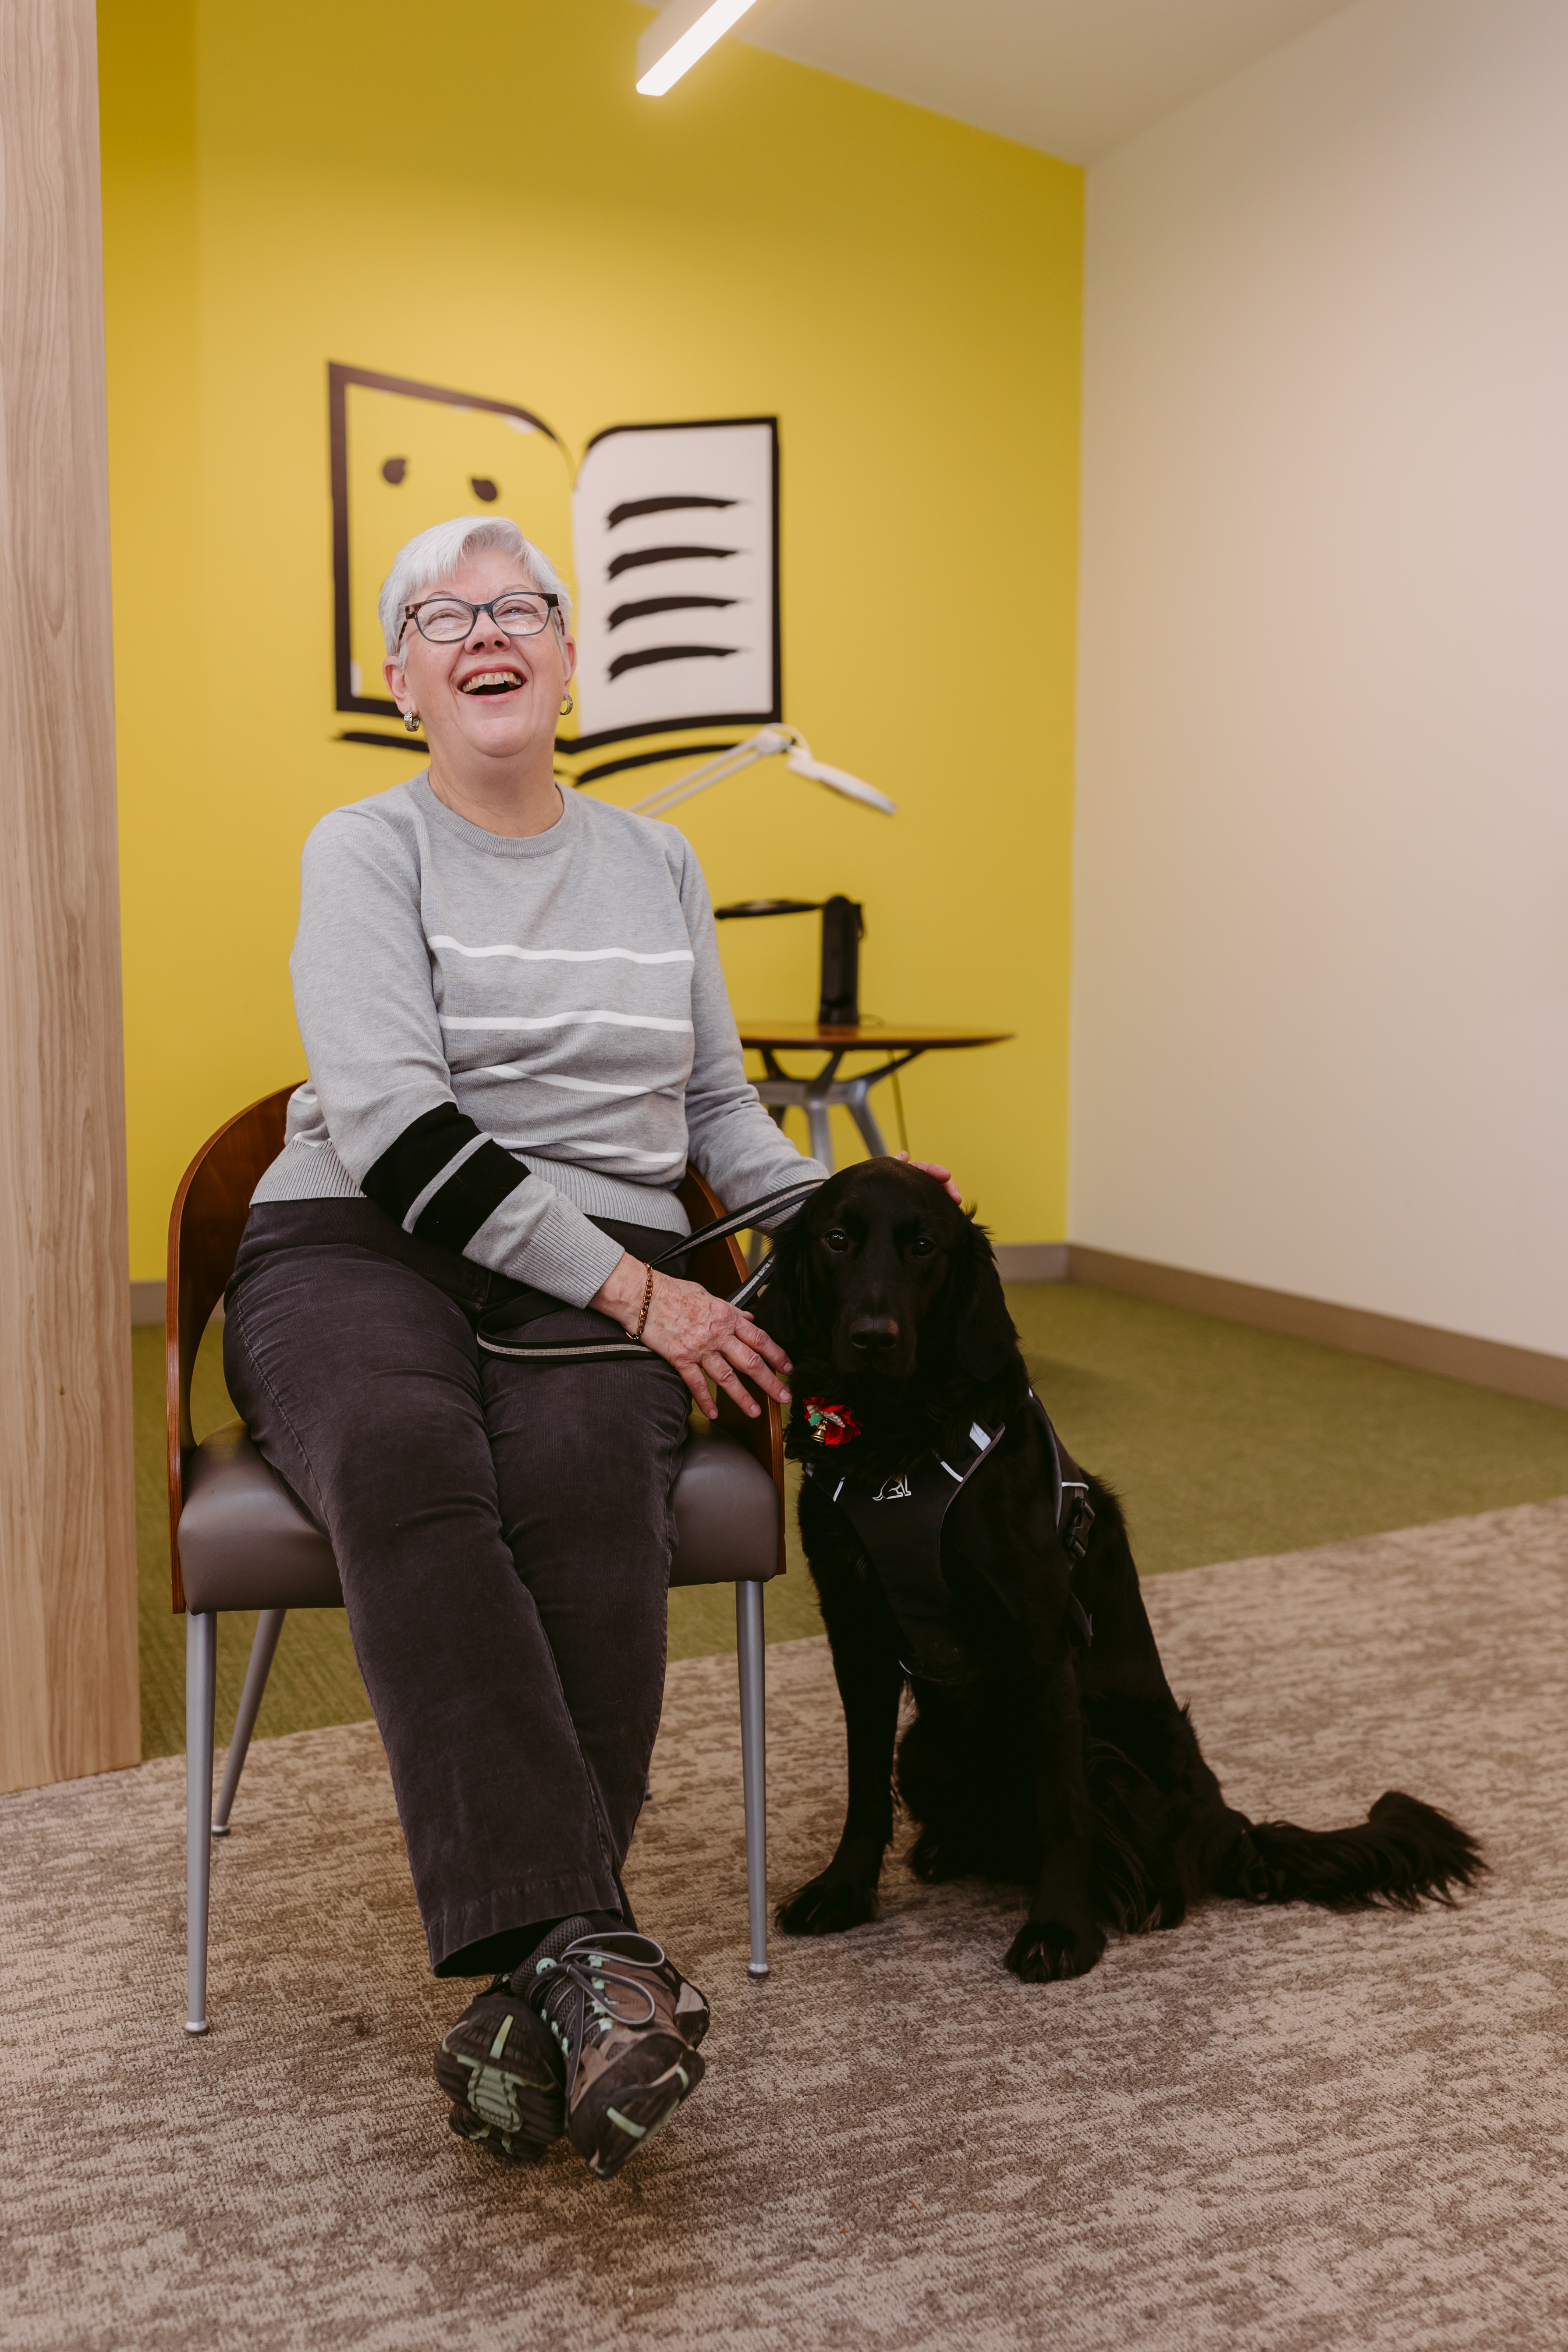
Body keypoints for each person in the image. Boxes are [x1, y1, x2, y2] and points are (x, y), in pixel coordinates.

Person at [225, 514, 954, 2182]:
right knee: (410, 1458)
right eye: (442, 614)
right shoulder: (363, 846)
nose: (486, 633)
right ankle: (592, 1954)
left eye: (520, 610)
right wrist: (639, 1297)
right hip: (360, 1238)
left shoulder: (656, 860)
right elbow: (398, 1122)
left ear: (569, 659)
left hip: (610, 1258)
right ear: (402, 676)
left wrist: (843, 1204)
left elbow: (711, 1108)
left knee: (579, 1478)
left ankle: (538, 1991)